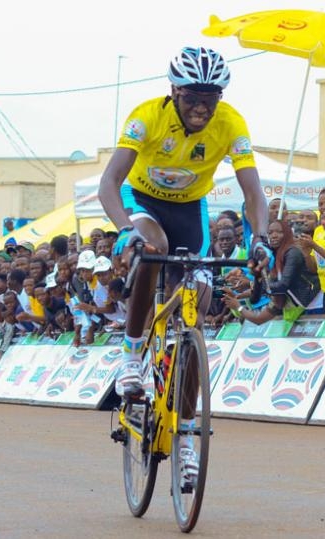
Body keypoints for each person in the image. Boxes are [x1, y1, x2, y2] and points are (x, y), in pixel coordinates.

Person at [98, 46, 270, 483]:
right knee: (152, 250)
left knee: (199, 303)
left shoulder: (231, 123)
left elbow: (252, 193)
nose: (201, 107)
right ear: (174, 91)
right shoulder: (146, 117)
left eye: (210, 98)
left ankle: (187, 437)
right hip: (143, 201)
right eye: (192, 96)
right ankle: (132, 354)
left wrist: (262, 238)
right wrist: (123, 230)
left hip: (190, 209)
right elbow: (109, 182)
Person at [223, 219, 319, 325]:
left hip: (316, 306)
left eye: (279, 232)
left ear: (288, 234)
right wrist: (236, 299)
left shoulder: (293, 253)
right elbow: (258, 318)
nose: (274, 236)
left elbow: (282, 285)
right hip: (299, 310)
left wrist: (249, 287)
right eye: (270, 233)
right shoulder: (275, 258)